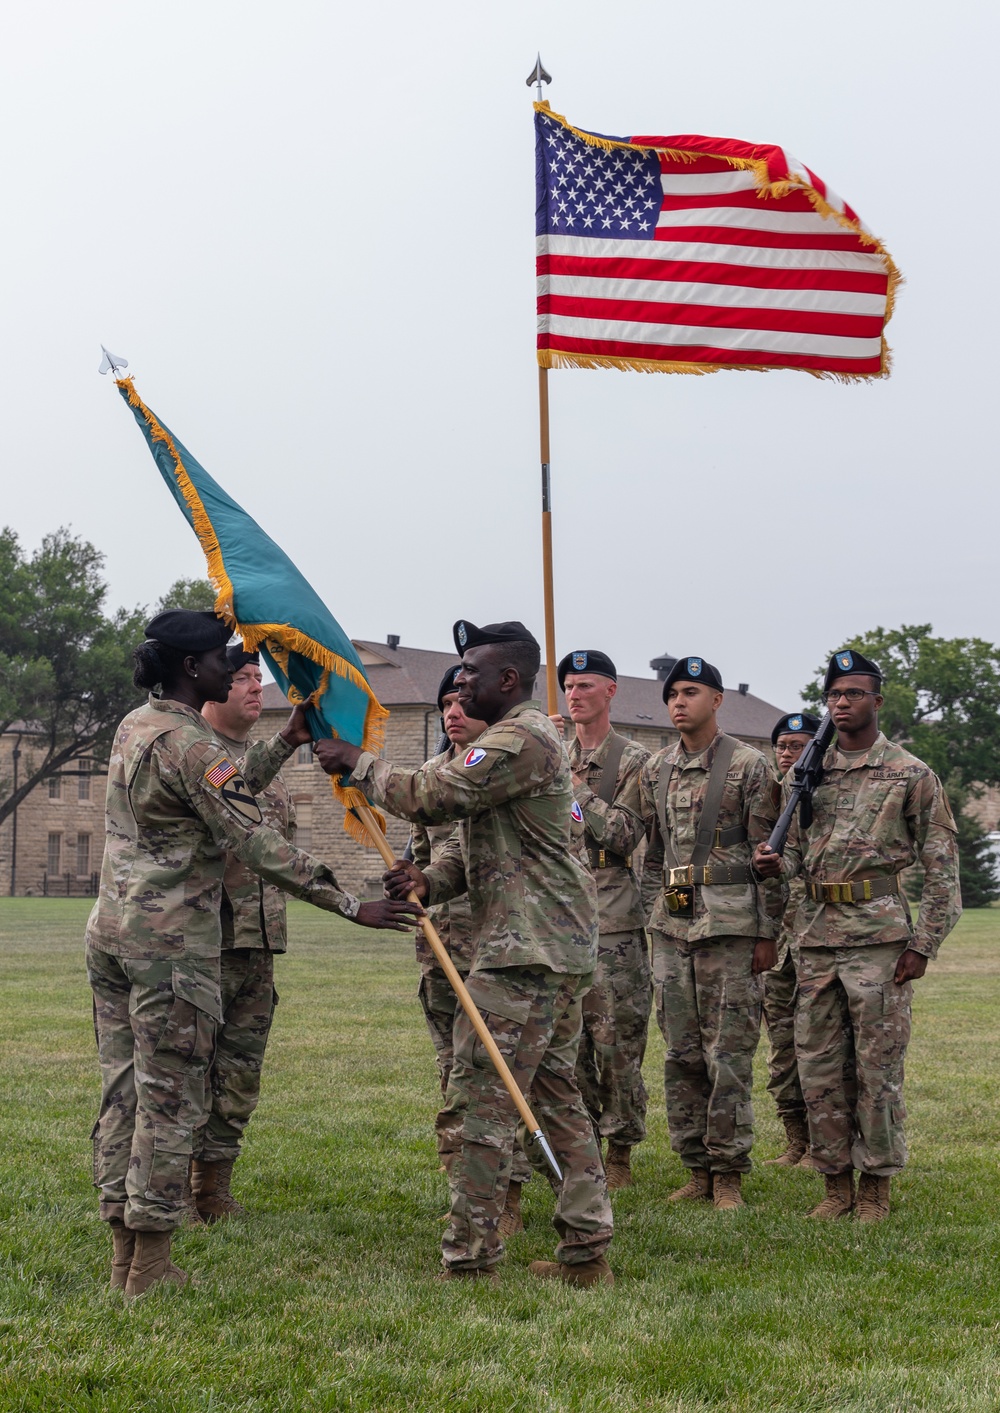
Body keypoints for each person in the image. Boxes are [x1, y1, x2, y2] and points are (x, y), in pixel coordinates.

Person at [86, 610, 421, 1298]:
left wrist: (283, 742)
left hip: (114, 934)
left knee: (123, 1094)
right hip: (171, 948)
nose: (235, 669)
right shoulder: (191, 745)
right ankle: (150, 1266)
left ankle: (122, 1254)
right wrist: (354, 904)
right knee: (171, 1101)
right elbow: (256, 840)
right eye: (222, 659)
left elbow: (216, 790)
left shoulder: (139, 724)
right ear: (191, 668)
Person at [315, 620, 614, 1287]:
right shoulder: (517, 744)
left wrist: (357, 762)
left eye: (472, 671)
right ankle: (587, 1249)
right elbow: (475, 847)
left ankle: (471, 1259)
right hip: (542, 947)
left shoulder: (519, 738)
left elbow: (432, 796)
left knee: (482, 1099)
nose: (462, 682)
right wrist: (431, 880)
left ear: (508, 680)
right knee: (555, 1096)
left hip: (525, 954)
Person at [755, 649, 961, 1221]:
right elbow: (794, 854)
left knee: (877, 1069)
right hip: (816, 937)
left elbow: (942, 866)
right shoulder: (807, 772)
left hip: (879, 939)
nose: (842, 703)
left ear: (877, 701)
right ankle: (834, 1186)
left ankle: (876, 1187)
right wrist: (776, 864)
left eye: (854, 694)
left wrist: (924, 944)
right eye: (834, 695)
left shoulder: (910, 773)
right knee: (819, 1069)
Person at [636, 656, 783, 1211]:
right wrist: (658, 912)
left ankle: (728, 1175)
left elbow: (771, 855)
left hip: (732, 926)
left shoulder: (750, 767)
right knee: (681, 1054)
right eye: (672, 692)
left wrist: (768, 932)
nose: (679, 701)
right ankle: (695, 1167)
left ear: (717, 700)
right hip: (673, 927)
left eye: (691, 691)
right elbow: (654, 854)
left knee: (729, 1054)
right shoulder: (656, 769)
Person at [187, 642, 294, 1221]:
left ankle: (214, 1187)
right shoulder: (195, 755)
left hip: (258, 944)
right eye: (244, 678)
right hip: (204, 941)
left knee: (239, 1072)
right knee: (187, 1069)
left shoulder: (271, 778)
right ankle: (174, 1187)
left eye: (260, 677)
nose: (257, 687)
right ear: (212, 686)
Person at [554, 648, 651, 1192]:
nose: (575, 694)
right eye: (569, 685)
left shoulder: (632, 760)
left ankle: (620, 1151)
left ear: (610, 691)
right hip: (560, 912)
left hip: (612, 913)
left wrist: (575, 788)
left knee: (616, 1042)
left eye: (586, 685)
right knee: (568, 1042)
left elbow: (623, 834)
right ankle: (580, 1142)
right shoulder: (552, 750)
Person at [761, 711, 822, 1168]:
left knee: (820, 1047)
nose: (787, 753)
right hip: (778, 940)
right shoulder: (769, 796)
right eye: (781, 745)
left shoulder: (824, 796)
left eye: (797, 745)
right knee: (782, 1045)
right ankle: (795, 1140)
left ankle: (824, 1143)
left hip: (820, 935)